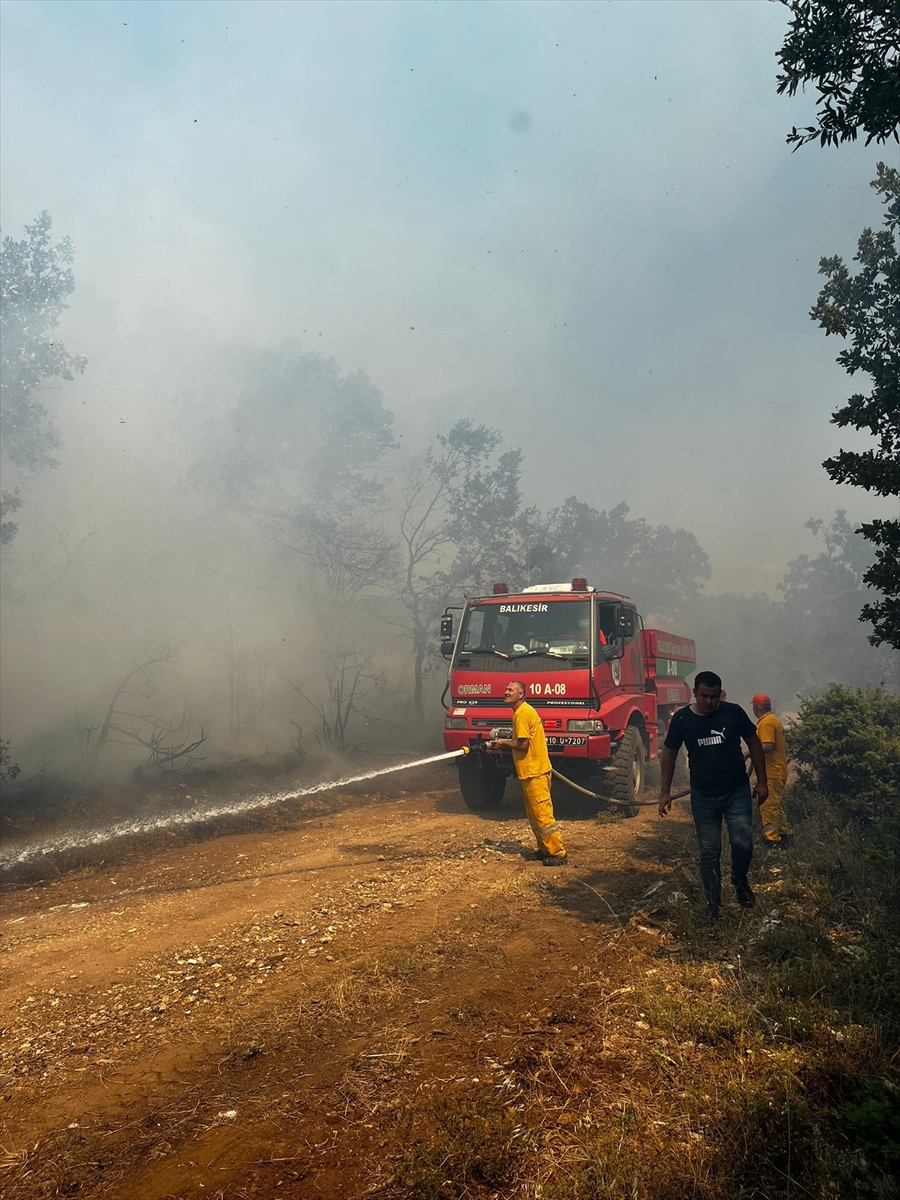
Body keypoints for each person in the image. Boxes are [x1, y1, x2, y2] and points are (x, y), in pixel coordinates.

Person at [658, 671, 768, 921]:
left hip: (736, 792)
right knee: (709, 852)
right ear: (694, 693)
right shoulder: (683, 719)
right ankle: (713, 905)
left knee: (743, 842)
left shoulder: (734, 713)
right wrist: (665, 792)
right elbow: (669, 754)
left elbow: (754, 743)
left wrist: (762, 782)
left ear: (721, 694)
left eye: (714, 696)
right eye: (704, 696)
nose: (709, 702)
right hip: (703, 797)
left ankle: (740, 881)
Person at [490, 680, 567, 865]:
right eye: (506, 689)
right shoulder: (521, 712)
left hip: (535, 772)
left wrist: (502, 743)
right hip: (530, 772)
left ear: (521, 694)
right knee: (534, 815)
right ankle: (544, 849)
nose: (506, 692)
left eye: (511, 690)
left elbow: (523, 745)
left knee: (543, 815)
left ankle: (558, 854)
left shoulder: (522, 713)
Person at [749, 694, 791, 845]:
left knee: (768, 806)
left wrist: (749, 753)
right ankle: (785, 836)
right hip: (777, 770)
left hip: (772, 772)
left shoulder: (766, 723)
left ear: (755, 707)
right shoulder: (773, 719)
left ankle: (772, 840)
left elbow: (768, 745)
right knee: (775, 805)